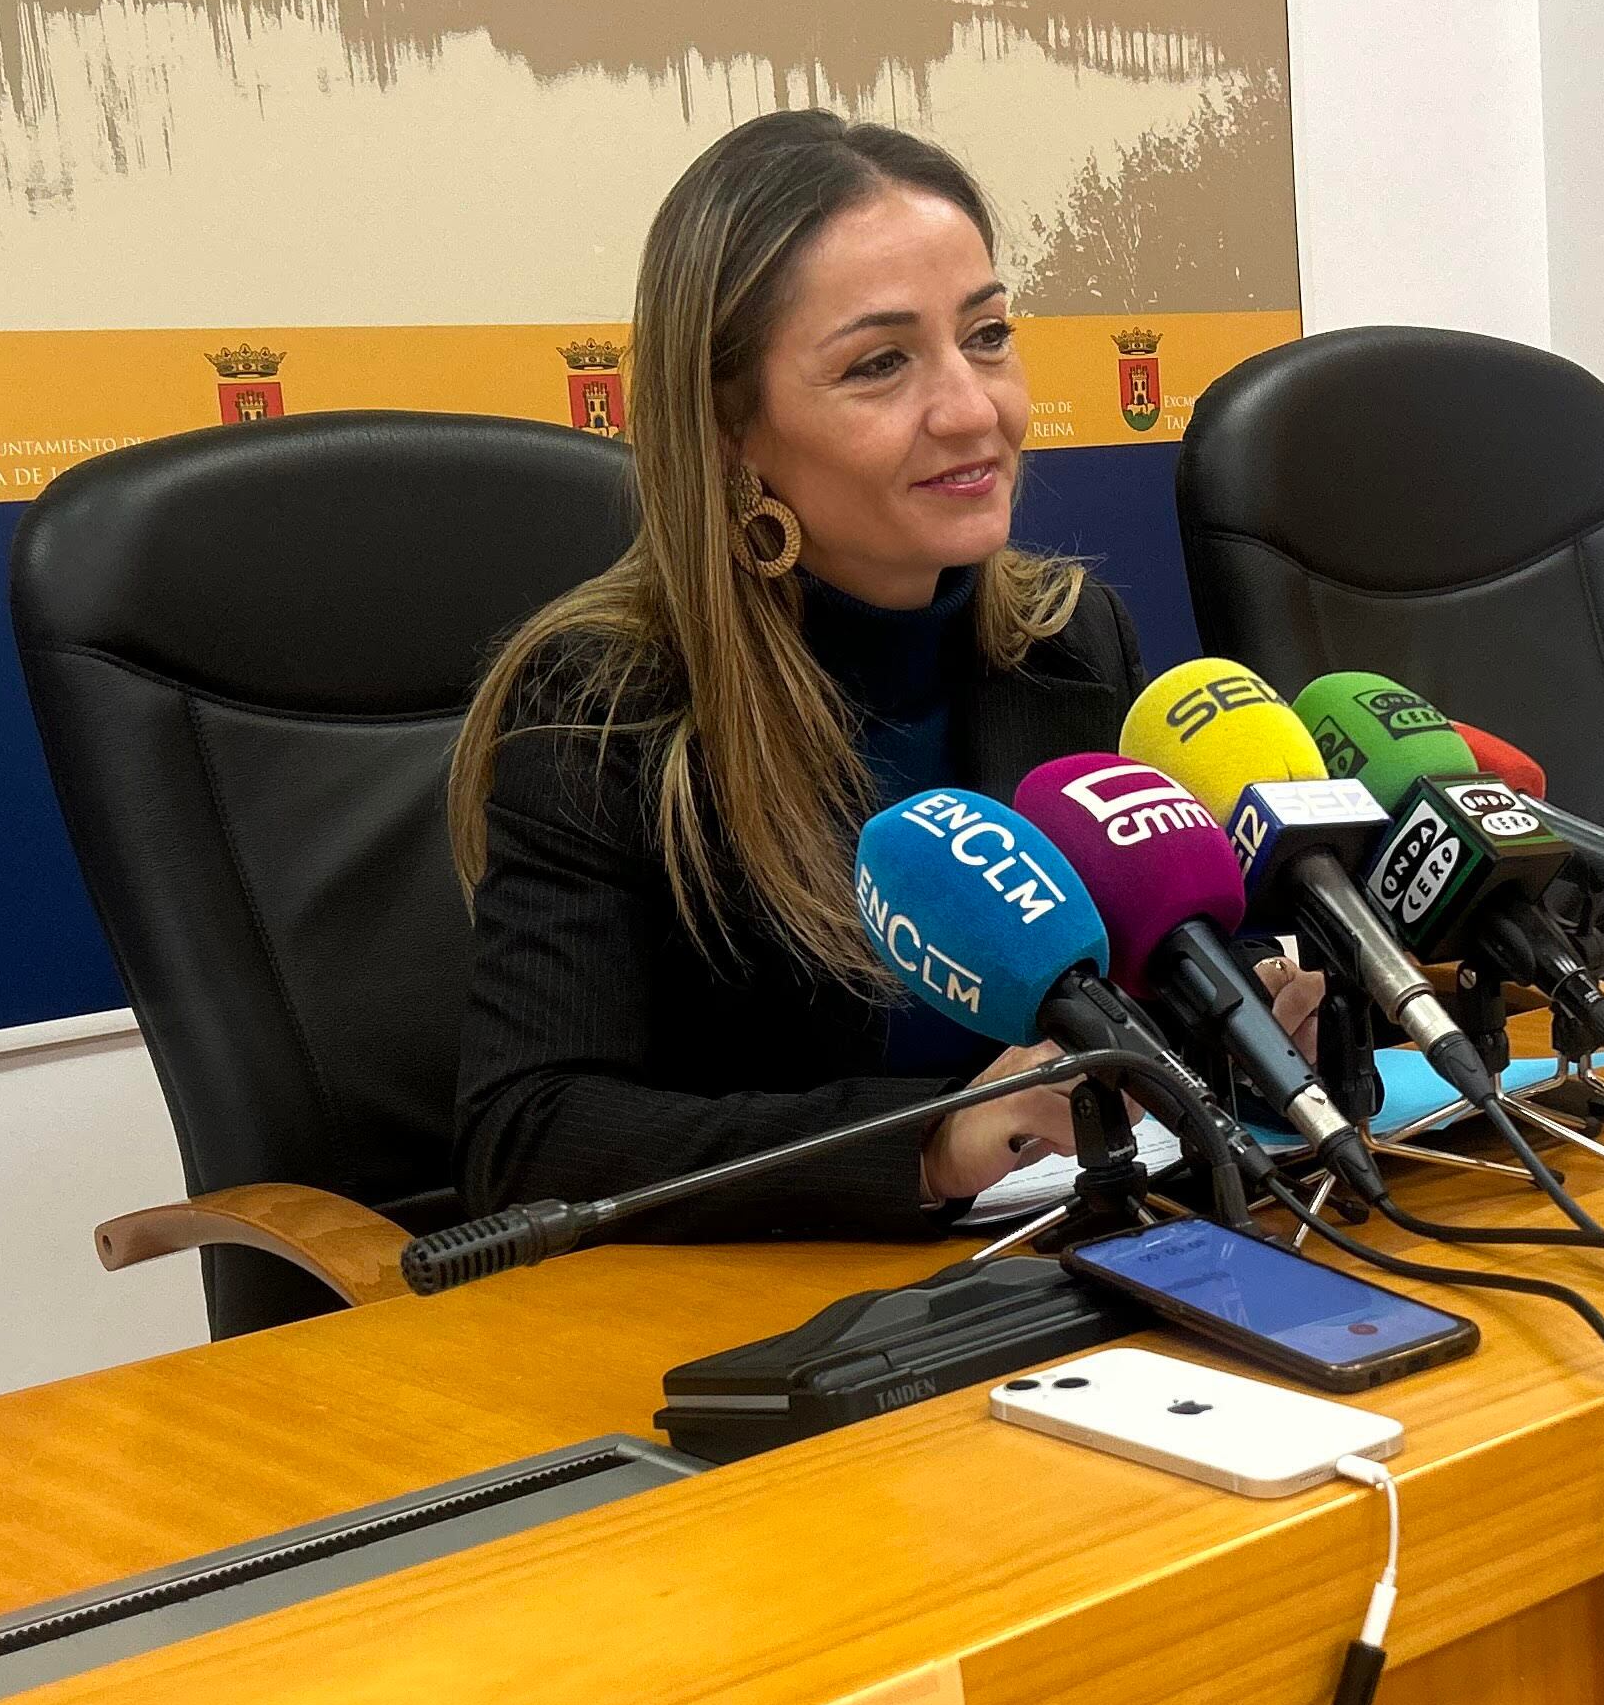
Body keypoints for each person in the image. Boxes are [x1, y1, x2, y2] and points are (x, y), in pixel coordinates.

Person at [449, 109, 1308, 1230]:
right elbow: (530, 1137)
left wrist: (1256, 1018)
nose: (972, 410)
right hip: (775, 1320)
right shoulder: (607, 710)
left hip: (1085, 1265)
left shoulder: (1070, 640)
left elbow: (1114, 1012)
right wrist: (934, 1142)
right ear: (729, 430)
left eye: (988, 336)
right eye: (881, 363)